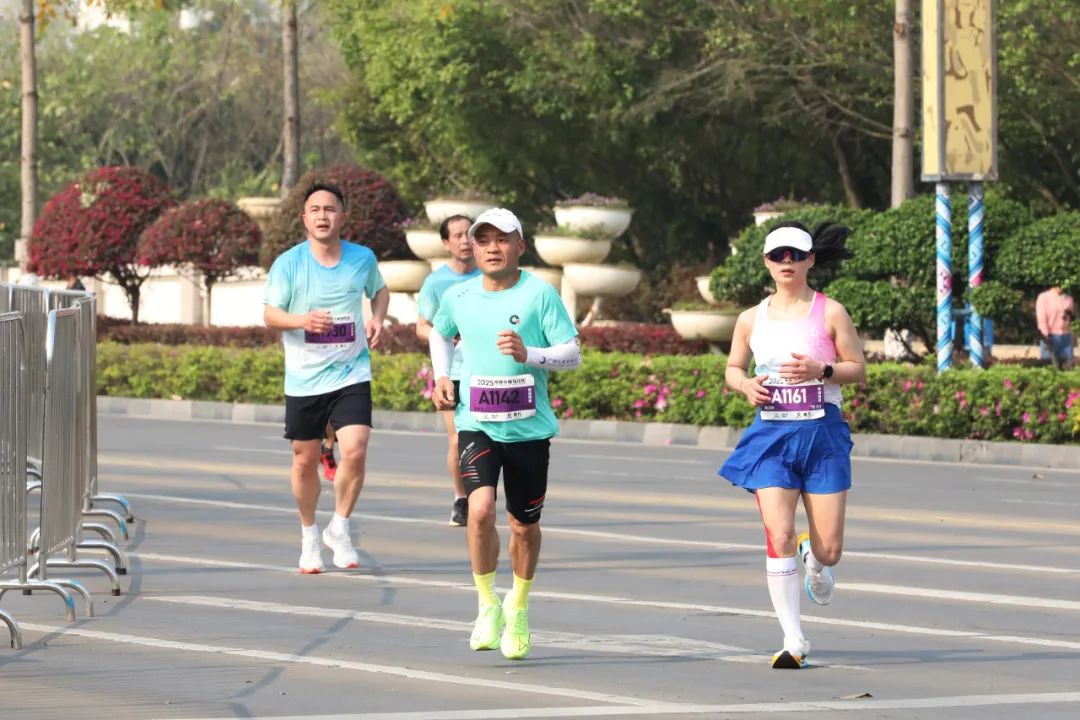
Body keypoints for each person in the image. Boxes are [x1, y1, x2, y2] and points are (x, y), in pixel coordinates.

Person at [428, 208, 580, 660]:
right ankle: (486, 605)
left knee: (523, 526)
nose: (492, 248)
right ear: (473, 248)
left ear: (520, 246)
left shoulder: (540, 294)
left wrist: (529, 353)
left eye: (502, 239)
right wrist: (441, 375)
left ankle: (518, 607)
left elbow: (572, 354)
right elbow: (439, 334)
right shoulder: (458, 295)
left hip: (529, 429)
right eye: (484, 240)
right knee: (479, 510)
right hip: (476, 423)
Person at [718, 221, 865, 670]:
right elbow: (733, 368)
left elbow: (857, 368)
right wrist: (745, 385)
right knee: (777, 533)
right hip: (772, 435)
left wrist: (823, 371)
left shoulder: (831, 312)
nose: (787, 262)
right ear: (766, 262)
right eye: (778, 255)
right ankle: (793, 639)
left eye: (796, 255)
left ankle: (813, 558)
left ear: (810, 260)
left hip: (822, 435)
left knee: (830, 550)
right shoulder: (750, 318)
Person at [263, 182, 390, 574]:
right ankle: (309, 534)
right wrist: (303, 320)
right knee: (305, 461)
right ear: (304, 218)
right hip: (305, 378)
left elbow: (380, 291)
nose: (322, 215)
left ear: (342, 217)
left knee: (355, 449)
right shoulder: (289, 264)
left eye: (330, 209)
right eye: (315, 209)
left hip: (352, 371)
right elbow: (270, 314)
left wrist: (377, 317)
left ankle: (340, 526)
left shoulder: (362, 258)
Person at [415, 214, 481, 526]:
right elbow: (421, 327)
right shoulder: (436, 282)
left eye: (470, 234)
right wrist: (445, 336)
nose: (465, 240)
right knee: (457, 440)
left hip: (488, 371)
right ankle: (460, 498)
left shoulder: (490, 275)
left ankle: (486, 494)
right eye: (457, 235)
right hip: (452, 371)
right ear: (446, 243)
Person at [1035, 286, 1075, 370]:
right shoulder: (1043, 297)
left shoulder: (1069, 298)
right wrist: (1046, 335)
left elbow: (1071, 318)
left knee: (1068, 369)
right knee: (1050, 368)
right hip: (1050, 337)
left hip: (1066, 337)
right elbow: (1041, 319)